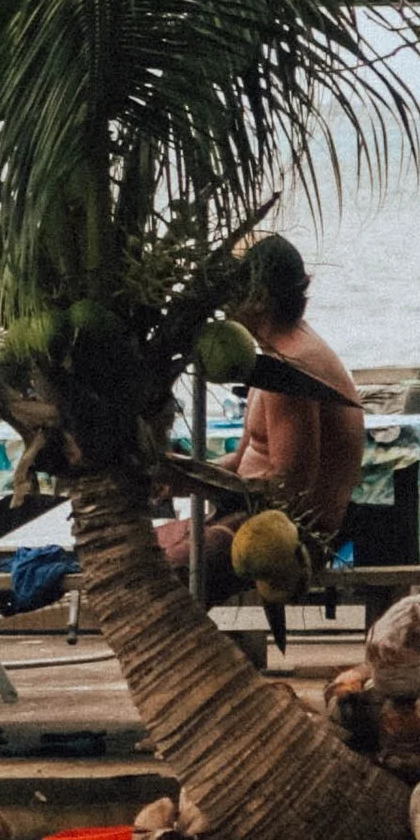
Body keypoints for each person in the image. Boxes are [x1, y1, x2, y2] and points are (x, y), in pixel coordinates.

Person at [159, 234, 365, 601]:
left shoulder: (291, 371)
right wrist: (179, 474)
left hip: (291, 535)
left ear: (259, 298)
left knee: (166, 573)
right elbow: (244, 461)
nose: (223, 301)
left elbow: (288, 488)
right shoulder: (272, 358)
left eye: (232, 287)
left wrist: (199, 485)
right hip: (250, 514)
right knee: (148, 550)